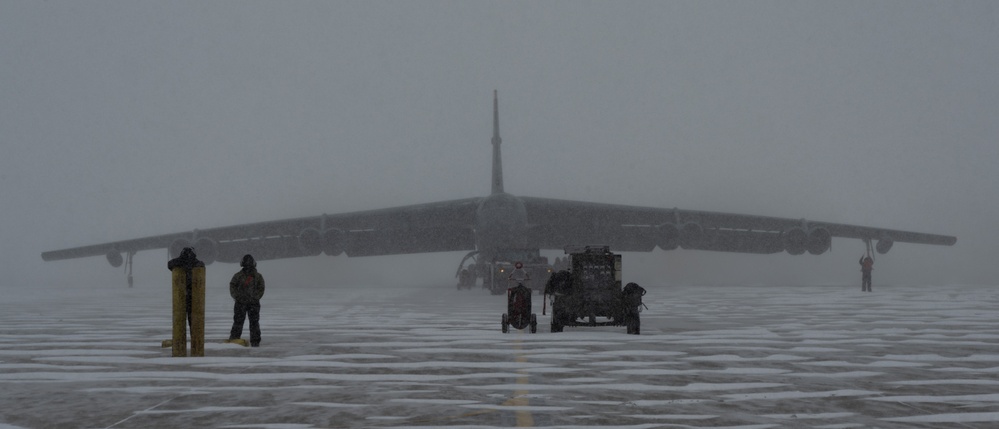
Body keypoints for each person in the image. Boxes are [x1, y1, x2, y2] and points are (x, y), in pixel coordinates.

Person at [229, 254, 265, 347]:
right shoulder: (257, 276)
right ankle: (254, 341)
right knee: (251, 323)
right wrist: (255, 297)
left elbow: (232, 286)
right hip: (248, 303)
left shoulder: (239, 275)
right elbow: (261, 288)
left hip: (244, 303)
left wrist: (238, 297)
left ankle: (235, 339)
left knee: (240, 322)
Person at [167, 247, 204, 329]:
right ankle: (194, 339)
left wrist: (182, 259)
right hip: (193, 296)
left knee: (180, 322)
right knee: (193, 322)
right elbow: (201, 265)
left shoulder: (179, 263)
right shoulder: (196, 264)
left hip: (182, 295)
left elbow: (170, 264)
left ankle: (180, 340)